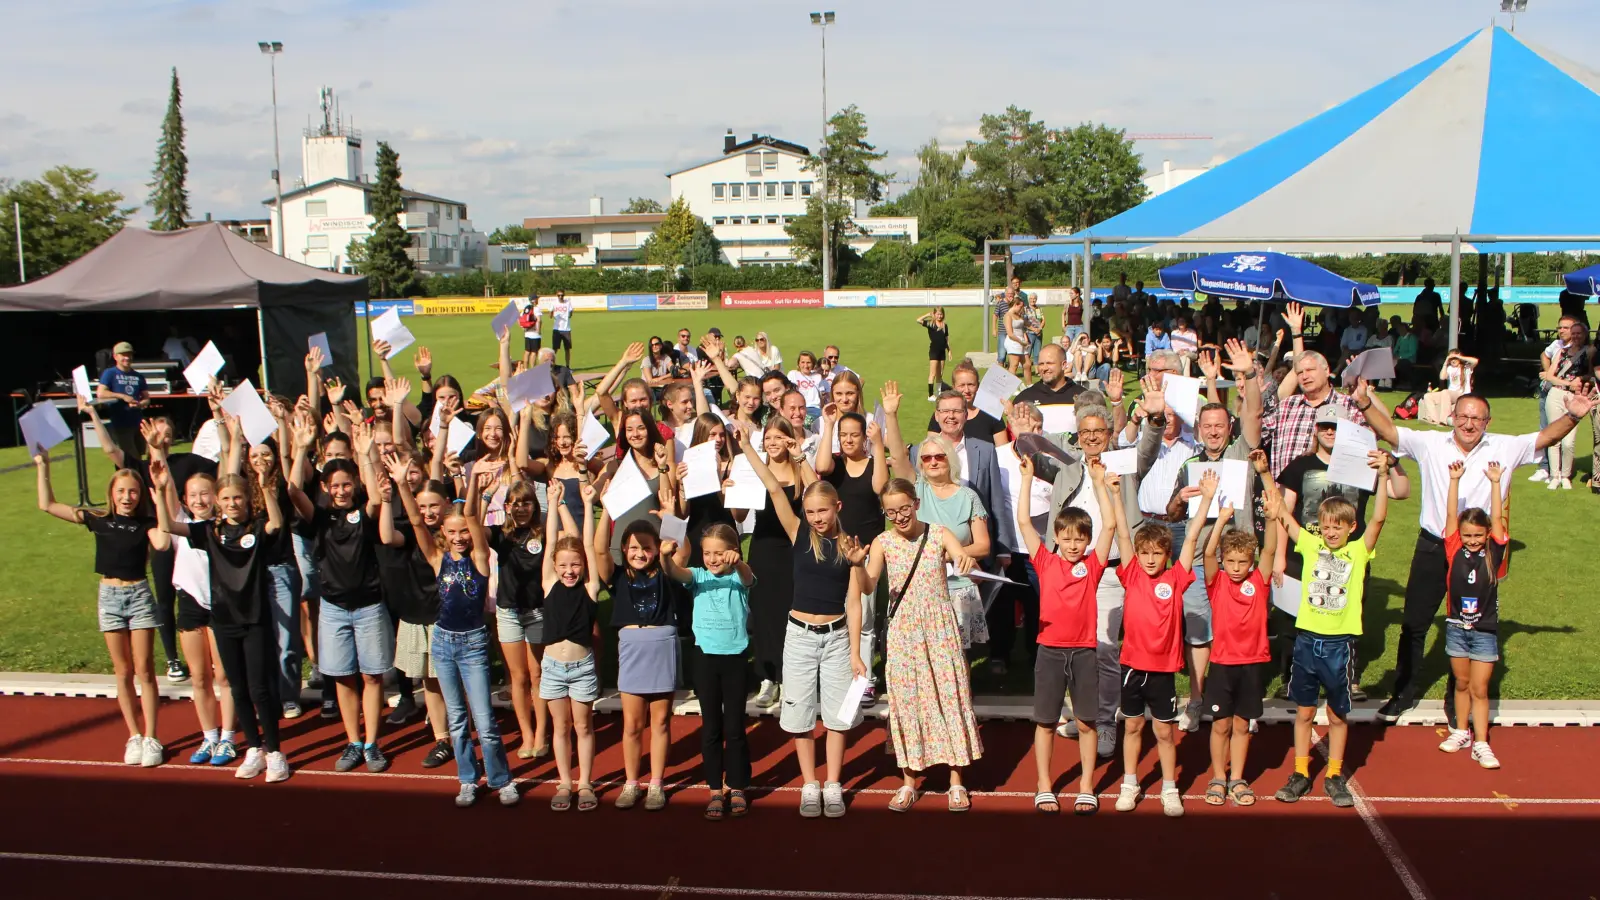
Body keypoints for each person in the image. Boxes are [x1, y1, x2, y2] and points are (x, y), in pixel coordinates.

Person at [1359, 382, 1595, 722]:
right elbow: (1389, 431)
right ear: (1452, 417)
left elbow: (1545, 438)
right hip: (1433, 545)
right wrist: (1365, 403)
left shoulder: (1505, 446)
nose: (1469, 424)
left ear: (1488, 422)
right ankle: (1403, 693)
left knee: (1467, 626)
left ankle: (1458, 700)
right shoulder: (1429, 443)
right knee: (1414, 623)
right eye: (1463, 417)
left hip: (1476, 553)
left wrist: (1573, 416)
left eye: (1477, 419)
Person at [739, 428, 868, 819]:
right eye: (810, 512)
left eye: (822, 511)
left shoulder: (849, 546)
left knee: (838, 717)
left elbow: (856, 601)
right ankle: (810, 784)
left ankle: (833, 784)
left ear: (837, 508)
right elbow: (773, 489)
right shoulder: (798, 534)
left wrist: (856, 653)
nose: (815, 518)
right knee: (799, 715)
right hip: (798, 636)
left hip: (837, 638)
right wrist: (746, 448)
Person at [152, 449, 291, 783]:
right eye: (226, 498)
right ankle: (254, 748)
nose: (232, 503)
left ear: (246, 499)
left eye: (237, 498)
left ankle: (275, 752)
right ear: (218, 501)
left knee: (259, 689)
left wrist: (265, 488)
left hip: (254, 618)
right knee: (238, 689)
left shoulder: (256, 526)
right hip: (224, 620)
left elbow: (276, 524)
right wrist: (160, 489)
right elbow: (168, 526)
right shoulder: (209, 531)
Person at [1272, 453, 1391, 808]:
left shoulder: (1358, 551)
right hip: (1307, 641)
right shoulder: (1310, 546)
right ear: (1319, 527)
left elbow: (1379, 518)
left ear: (1351, 527)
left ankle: (1335, 774)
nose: (1332, 532)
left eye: (1339, 527)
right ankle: (1300, 772)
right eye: (1326, 527)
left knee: (1338, 715)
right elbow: (1283, 514)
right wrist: (1264, 474)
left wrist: (1384, 475)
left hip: (1340, 645)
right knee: (1305, 712)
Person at [36, 455, 170, 766]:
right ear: (111, 493)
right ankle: (134, 735)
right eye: (121, 491)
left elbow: (163, 543)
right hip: (109, 597)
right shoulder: (98, 519)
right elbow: (48, 505)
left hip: (138, 596)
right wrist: (43, 466)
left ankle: (151, 737)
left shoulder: (146, 524)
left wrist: (161, 494)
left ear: (140, 494)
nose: (127, 497)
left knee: (144, 669)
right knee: (122, 671)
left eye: (133, 491)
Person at [864, 477, 984, 813]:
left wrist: (964, 560)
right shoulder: (882, 542)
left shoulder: (940, 534)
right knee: (907, 702)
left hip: (940, 628)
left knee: (950, 697)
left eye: (904, 509)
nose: (899, 517)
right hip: (903, 632)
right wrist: (856, 564)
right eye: (891, 512)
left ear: (916, 504)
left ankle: (956, 782)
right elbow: (868, 584)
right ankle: (908, 781)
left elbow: (961, 557)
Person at [287, 416, 392, 773]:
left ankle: (372, 744)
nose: (342, 491)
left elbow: (375, 500)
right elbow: (293, 491)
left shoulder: (365, 513)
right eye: (335, 485)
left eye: (347, 484)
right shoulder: (319, 518)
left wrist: (365, 455)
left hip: (369, 607)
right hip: (333, 609)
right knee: (344, 677)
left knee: (372, 677)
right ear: (325, 487)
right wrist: (301, 447)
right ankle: (353, 742)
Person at [1016, 456, 1117, 815]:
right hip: (1050, 652)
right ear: (1056, 538)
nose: (1074, 545)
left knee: (1088, 723)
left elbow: (1110, 526)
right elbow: (1024, 522)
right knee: (1046, 723)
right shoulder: (1045, 562)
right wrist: (1027, 479)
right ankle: (1044, 784)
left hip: (1084, 653)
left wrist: (1100, 484)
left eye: (1080, 539)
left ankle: (1087, 785)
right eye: (1067, 538)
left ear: (1087, 541)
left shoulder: (1092, 566)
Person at [1111, 468, 1213, 818]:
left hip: (1163, 671)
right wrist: (1114, 494)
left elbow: (1192, 538)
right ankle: (1130, 783)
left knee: (1165, 733)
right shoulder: (1131, 574)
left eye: (1157, 553)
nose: (1151, 559)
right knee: (1132, 726)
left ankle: (1170, 788)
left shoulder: (1176, 578)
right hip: (1132, 668)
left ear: (1167, 554)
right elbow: (1123, 533)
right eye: (1145, 553)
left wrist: (1206, 500)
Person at [661, 525, 754, 820]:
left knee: (735, 728)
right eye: (707, 553)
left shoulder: (738, 577)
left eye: (719, 553)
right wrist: (665, 557)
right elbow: (675, 573)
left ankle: (736, 785)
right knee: (711, 726)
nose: (712, 559)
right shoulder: (698, 576)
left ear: (733, 551)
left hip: (735, 659)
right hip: (705, 659)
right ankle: (715, 788)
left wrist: (737, 563)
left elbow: (748, 577)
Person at [1198, 482, 1279, 807]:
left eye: (1242, 562)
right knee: (1221, 726)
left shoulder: (1259, 582)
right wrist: (1221, 519)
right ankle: (1219, 777)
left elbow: (1270, 551)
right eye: (1230, 561)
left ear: (1251, 562)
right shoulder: (1216, 582)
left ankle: (1238, 778)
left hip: (1251, 665)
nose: (1235, 568)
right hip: (1222, 664)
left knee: (1242, 725)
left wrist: (1271, 519)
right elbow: (1207, 553)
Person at [595, 513, 678, 811]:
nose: (640, 553)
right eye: (633, 547)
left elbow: (683, 552)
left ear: (657, 548)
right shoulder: (617, 576)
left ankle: (656, 783)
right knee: (632, 724)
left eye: (646, 547)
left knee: (660, 721)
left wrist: (671, 519)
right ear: (623, 549)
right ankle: (631, 782)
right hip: (632, 649)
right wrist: (606, 510)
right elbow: (599, 550)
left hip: (662, 647)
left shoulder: (667, 572)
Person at [164, 468, 238, 766]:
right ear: (184, 500)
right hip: (190, 604)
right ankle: (209, 735)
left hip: (221, 604)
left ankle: (229, 736)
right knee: (199, 676)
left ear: (216, 497)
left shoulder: (224, 526)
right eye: (192, 495)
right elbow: (166, 496)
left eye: (205, 493)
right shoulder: (181, 524)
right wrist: (160, 465)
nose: (199, 500)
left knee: (224, 674)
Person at [1437, 460, 1507, 770]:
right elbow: (1451, 514)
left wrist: (1495, 483)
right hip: (1456, 628)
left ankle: (1481, 742)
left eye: (1478, 535)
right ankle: (1461, 732)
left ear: (1488, 534)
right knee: (1462, 683)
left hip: (1484, 631)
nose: (1473, 540)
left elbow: (1498, 519)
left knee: (1480, 688)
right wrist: (1454, 480)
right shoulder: (1454, 549)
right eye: (1467, 535)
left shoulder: (1493, 552)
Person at [540, 480, 602, 812]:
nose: (569, 570)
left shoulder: (590, 588)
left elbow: (589, 546)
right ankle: (565, 781)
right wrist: (552, 503)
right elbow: (551, 541)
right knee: (560, 727)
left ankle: (586, 782)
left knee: (583, 726)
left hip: (582, 668)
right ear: (554, 565)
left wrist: (589, 504)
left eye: (575, 565)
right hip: (552, 667)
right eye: (563, 565)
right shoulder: (549, 583)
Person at [745, 416, 810, 710]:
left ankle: (788, 678)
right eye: (768, 438)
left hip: (791, 551)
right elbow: (738, 514)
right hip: (762, 550)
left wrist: (800, 456)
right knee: (762, 614)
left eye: (778, 437)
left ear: (789, 439)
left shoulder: (798, 469)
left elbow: (818, 490)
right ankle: (767, 677)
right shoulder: (755, 469)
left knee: (788, 615)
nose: (773, 443)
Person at [1540, 329, 1593, 490]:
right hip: (1556, 394)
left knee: (1569, 442)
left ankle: (1565, 475)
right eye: (1574, 333)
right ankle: (1554, 475)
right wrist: (1568, 383)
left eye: (1579, 333)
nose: (1576, 336)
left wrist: (1581, 379)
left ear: (1585, 335)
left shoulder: (1589, 352)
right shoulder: (1562, 352)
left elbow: (1592, 374)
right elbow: (1550, 375)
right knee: (1554, 437)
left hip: (1575, 397)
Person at [925, 361, 1006, 445]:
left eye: (971, 385)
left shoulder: (992, 414)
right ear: (954, 387)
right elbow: (930, 447)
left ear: (978, 386)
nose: (967, 390)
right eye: (962, 385)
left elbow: (1003, 449)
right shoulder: (943, 414)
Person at [97, 340, 152, 461]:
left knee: (141, 454)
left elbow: (147, 398)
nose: (127, 358)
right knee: (129, 456)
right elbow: (101, 393)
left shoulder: (138, 376)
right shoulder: (110, 373)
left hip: (138, 421)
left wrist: (140, 404)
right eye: (123, 355)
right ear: (115, 356)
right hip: (120, 422)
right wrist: (122, 396)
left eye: (129, 355)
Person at [1418, 350, 1479, 428]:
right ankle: (1434, 420)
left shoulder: (1466, 367)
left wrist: (1458, 356)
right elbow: (1442, 377)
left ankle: (1444, 420)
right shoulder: (1449, 368)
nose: (1453, 360)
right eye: (1451, 359)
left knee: (1445, 392)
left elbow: (1475, 361)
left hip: (1462, 395)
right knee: (1428, 396)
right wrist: (1446, 362)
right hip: (1450, 394)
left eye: (1455, 359)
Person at [1015, 343, 1086, 409]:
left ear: (1063, 365)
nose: (1044, 368)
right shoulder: (1026, 398)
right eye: (1041, 364)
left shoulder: (1083, 397)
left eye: (1049, 363)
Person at [918, 308, 951, 401]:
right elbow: (918, 320)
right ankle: (930, 395)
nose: (939, 316)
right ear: (935, 314)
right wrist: (928, 315)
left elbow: (946, 339)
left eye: (941, 314)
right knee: (932, 374)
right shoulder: (931, 324)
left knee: (940, 374)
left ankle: (939, 392)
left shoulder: (944, 325)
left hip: (942, 351)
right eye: (938, 314)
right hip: (934, 351)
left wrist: (949, 351)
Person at [787, 351, 826, 417]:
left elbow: (822, 396)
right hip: (798, 408)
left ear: (813, 364)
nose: (806, 365)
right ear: (799, 363)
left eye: (808, 362)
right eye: (803, 362)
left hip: (814, 408)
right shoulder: (793, 374)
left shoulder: (817, 377)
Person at [1003, 297, 1030, 378]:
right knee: (1014, 364)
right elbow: (1010, 334)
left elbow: (1024, 327)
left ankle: (1029, 384)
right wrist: (1021, 342)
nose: (1021, 309)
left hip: (1021, 340)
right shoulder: (1008, 315)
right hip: (1013, 342)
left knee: (1027, 364)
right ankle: (1009, 384)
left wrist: (1036, 329)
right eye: (1020, 307)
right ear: (1015, 305)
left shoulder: (1019, 315)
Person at [549, 289, 575, 369]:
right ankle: (551, 365)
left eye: (562, 295)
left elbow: (571, 313)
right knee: (555, 349)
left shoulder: (568, 303)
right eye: (559, 295)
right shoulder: (554, 303)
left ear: (564, 295)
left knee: (567, 349)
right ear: (557, 295)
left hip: (566, 329)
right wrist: (552, 314)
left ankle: (568, 366)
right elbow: (550, 315)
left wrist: (568, 316)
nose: (560, 297)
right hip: (557, 329)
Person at [518, 292, 543, 367]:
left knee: (527, 352)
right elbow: (539, 320)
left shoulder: (526, 308)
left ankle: (525, 368)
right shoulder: (536, 309)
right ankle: (532, 369)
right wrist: (538, 330)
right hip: (534, 334)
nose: (538, 300)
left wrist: (523, 328)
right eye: (537, 299)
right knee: (534, 352)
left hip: (527, 333)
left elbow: (519, 319)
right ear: (534, 300)